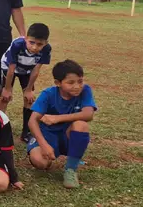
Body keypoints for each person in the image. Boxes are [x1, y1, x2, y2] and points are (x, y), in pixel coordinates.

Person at [27, 60, 96, 189]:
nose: (77, 86)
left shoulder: (85, 90)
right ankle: (50, 155)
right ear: (58, 83)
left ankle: (70, 170)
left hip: (68, 134)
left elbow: (88, 114)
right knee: (39, 162)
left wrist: (57, 118)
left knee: (81, 125)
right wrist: (44, 145)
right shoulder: (48, 94)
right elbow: (32, 121)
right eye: (71, 82)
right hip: (48, 134)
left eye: (80, 81)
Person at [0, 22, 52, 141]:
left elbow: (36, 70)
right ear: (26, 38)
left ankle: (26, 132)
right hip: (8, 68)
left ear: (46, 43)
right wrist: (7, 89)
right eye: (31, 42)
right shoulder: (17, 44)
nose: (34, 47)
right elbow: (11, 69)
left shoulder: (46, 49)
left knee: (29, 99)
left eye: (40, 44)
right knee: (4, 98)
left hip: (27, 70)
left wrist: (28, 89)